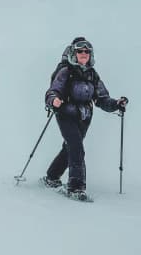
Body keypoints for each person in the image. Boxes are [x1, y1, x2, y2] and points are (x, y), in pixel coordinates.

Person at [41, 37, 127, 201]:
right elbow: (53, 90)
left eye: (87, 51)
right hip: (65, 114)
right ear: (74, 52)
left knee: (70, 148)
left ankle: (52, 177)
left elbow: (102, 98)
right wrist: (54, 100)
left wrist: (116, 104)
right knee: (76, 147)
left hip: (84, 117)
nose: (84, 54)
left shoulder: (92, 75)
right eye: (80, 51)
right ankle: (76, 187)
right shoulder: (66, 71)